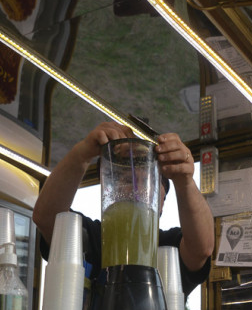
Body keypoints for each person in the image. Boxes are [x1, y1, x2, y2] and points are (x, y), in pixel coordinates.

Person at [33, 121, 214, 297]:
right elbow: (47, 218)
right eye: (127, 180)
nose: (137, 190)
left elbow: (202, 249)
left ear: (163, 202)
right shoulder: (92, 239)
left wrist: (185, 180)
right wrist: (82, 153)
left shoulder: (168, 248)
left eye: (148, 184)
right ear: (109, 190)